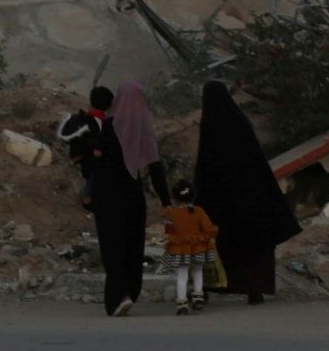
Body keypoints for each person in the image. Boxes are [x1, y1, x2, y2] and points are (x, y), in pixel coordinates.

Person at [193, 79, 303, 305]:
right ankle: (255, 290)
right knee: (252, 242)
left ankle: (205, 288)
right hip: (250, 197)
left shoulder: (210, 124)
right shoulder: (239, 120)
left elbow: (205, 165)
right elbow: (256, 159)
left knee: (218, 244)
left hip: (220, 200)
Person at [91, 80, 170, 317]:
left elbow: (95, 164)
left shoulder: (107, 126)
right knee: (132, 244)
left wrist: (88, 193)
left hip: (107, 195)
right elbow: (155, 167)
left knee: (112, 245)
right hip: (133, 195)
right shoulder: (143, 129)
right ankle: (130, 292)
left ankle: (118, 297)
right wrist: (166, 200)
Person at [161, 179, 218, 315]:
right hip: (198, 247)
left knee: (182, 275)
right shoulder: (199, 211)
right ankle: (198, 298)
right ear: (193, 196)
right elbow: (209, 229)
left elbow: (169, 232)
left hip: (180, 249)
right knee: (197, 271)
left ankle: (182, 305)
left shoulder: (171, 214)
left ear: (174, 198)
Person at [58, 85, 114, 210]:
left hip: (80, 153)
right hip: (90, 158)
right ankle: (88, 201)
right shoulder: (101, 123)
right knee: (95, 175)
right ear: (108, 105)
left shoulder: (84, 117)